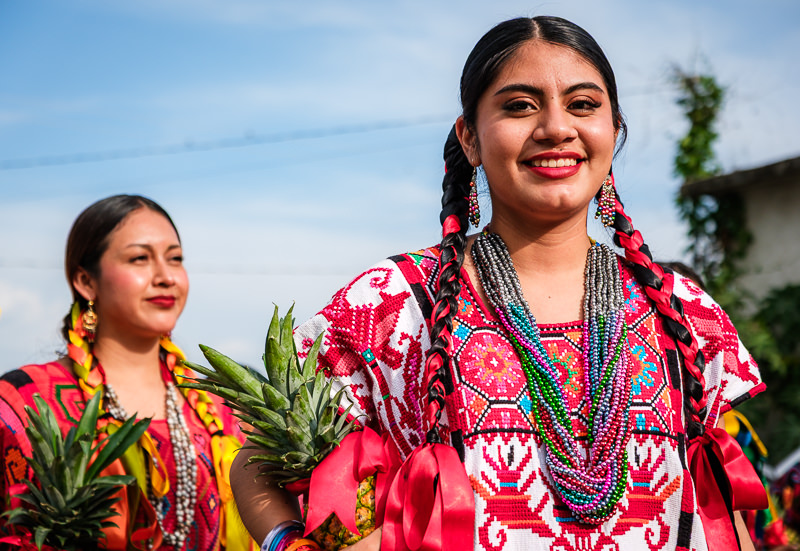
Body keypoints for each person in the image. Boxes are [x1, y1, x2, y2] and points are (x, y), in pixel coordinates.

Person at [231, 16, 766, 551]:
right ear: (469, 138)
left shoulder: (680, 308)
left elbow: (720, 509)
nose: (556, 127)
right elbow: (258, 458)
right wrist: (288, 544)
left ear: (615, 130)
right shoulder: (392, 305)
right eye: (519, 106)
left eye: (582, 104)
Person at [0, 195, 254, 550]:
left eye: (175, 259)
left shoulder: (221, 410)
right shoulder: (23, 400)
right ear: (86, 281)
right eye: (140, 258)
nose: (166, 277)